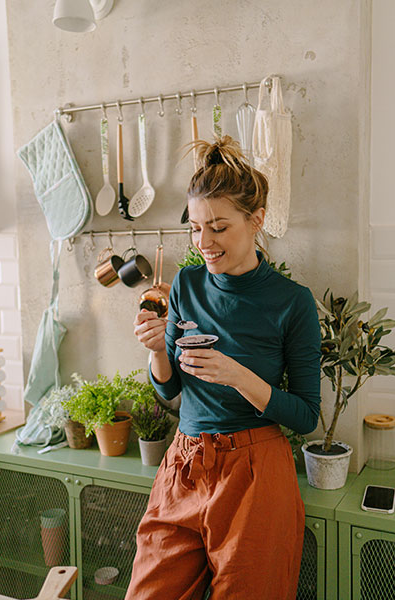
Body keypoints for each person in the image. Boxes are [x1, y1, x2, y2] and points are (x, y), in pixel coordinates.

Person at [127, 136, 321, 600]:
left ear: (255, 222)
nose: (204, 243)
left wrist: (238, 375)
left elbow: (306, 416)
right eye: (195, 229)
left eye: (218, 227)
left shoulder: (291, 302)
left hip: (255, 472)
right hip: (184, 465)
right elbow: (169, 394)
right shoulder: (187, 285)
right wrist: (156, 353)